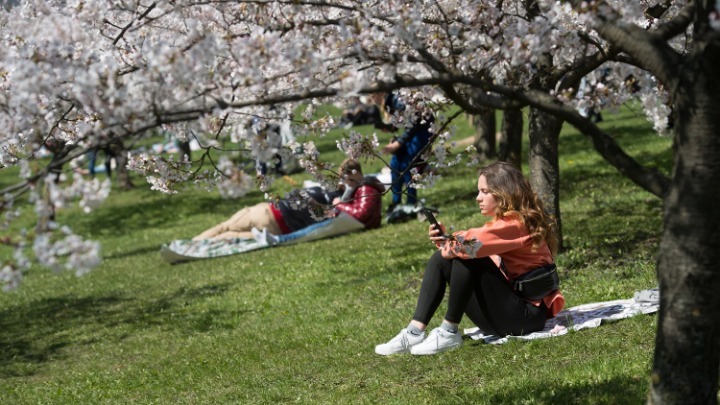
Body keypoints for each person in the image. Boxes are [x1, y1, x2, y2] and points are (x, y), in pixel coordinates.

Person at [375, 161, 565, 356]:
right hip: (513, 315)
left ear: (503, 193)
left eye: (484, 191)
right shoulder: (509, 222)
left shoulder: (516, 224)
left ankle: (448, 331)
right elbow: (470, 245)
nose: (478, 198)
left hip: (525, 318)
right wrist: (446, 242)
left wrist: (448, 242)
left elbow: (472, 243)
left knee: (468, 258)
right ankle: (414, 332)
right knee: (447, 258)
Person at [193, 158, 384, 240]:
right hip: (276, 223)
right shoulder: (334, 197)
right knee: (227, 234)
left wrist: (341, 199)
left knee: (225, 228)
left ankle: (193, 243)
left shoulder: (334, 204)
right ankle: (194, 243)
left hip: (271, 214)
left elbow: (355, 210)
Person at [372, 92, 434, 215]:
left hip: (422, 131)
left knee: (407, 165)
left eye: (371, 95)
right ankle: (396, 201)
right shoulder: (390, 103)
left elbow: (414, 123)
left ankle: (411, 202)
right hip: (413, 133)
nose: (371, 99)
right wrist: (391, 128)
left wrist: (398, 143)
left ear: (379, 93)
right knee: (395, 163)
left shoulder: (397, 100)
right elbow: (403, 122)